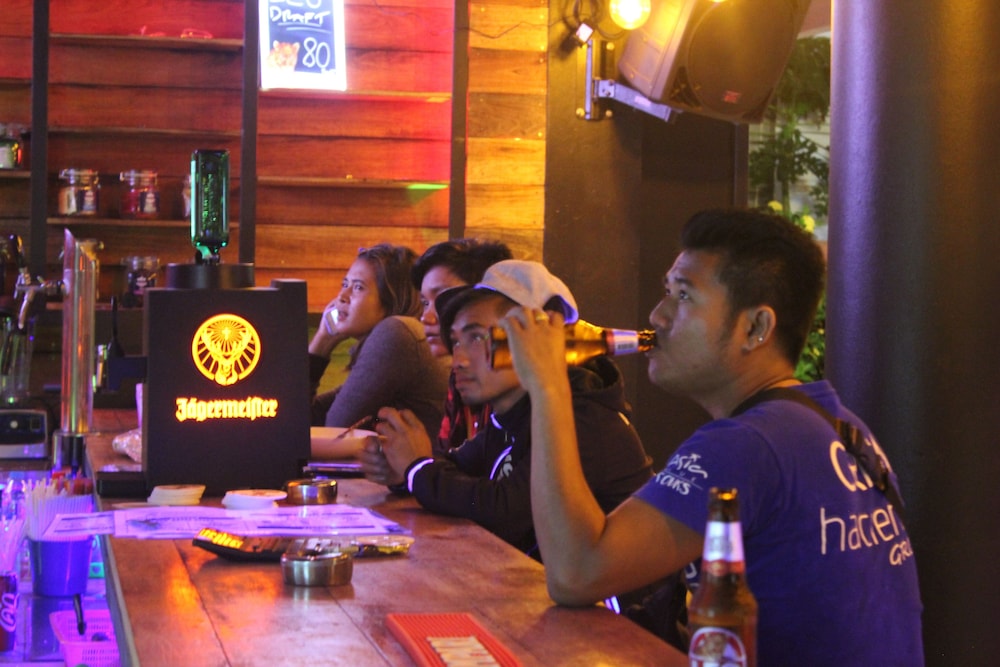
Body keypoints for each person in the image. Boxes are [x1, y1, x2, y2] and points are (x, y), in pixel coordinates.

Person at [500, 209, 924, 665]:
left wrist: (548, 386)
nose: (657, 316)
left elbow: (575, 573)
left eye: (684, 296)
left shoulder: (746, 444)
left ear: (755, 328)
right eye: (667, 291)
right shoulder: (836, 426)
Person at [371, 259, 654, 560]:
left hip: (607, 592)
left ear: (539, 339)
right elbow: (457, 471)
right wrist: (403, 472)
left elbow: (507, 512)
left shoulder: (584, 417)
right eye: (456, 341)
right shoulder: (509, 416)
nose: (458, 361)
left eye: (477, 337)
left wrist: (417, 470)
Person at [308, 244, 449, 446]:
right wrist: (322, 342)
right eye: (344, 284)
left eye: (358, 287)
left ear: (391, 299)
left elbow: (334, 432)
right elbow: (305, 420)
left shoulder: (397, 332)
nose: (342, 296)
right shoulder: (397, 340)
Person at [410, 238, 514, 453]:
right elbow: (452, 458)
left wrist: (415, 464)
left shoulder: (511, 384)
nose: (426, 317)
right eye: (425, 303)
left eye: (442, 299)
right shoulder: (461, 374)